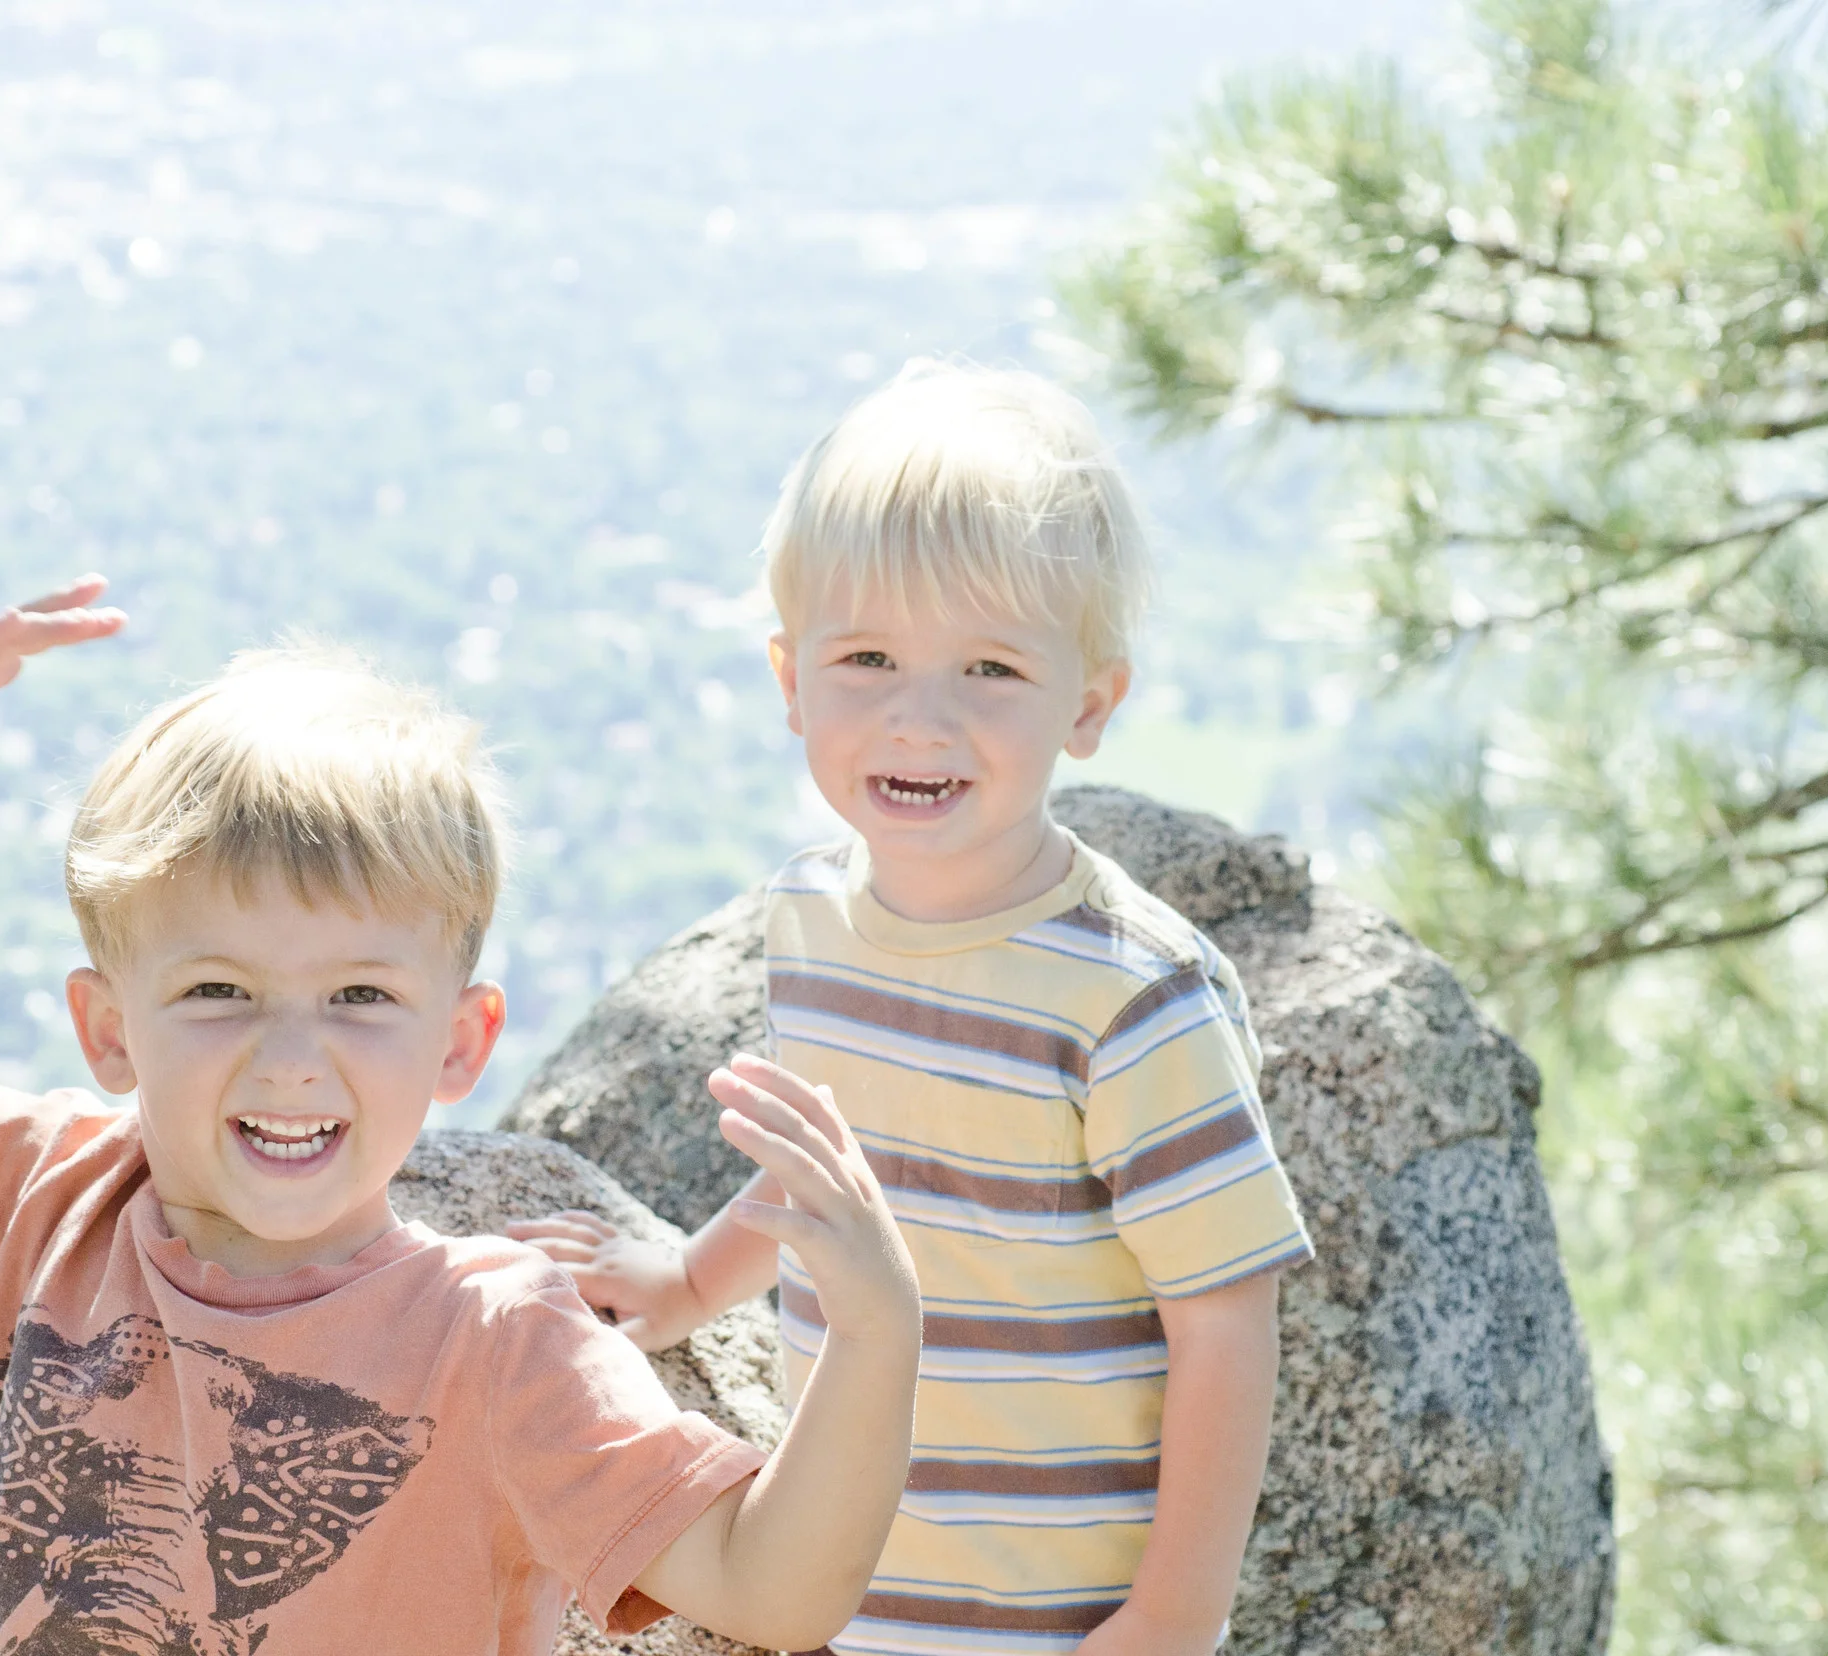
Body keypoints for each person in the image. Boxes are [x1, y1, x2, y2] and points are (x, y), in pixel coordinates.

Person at [0, 577, 922, 1656]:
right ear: (109, 1030)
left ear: (460, 1043)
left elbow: (772, 1589)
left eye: (359, 997)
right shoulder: (46, 1199)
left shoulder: (491, 1348)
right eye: (217, 992)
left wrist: (877, 1334)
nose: (289, 1060)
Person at [510, 363, 1315, 1656]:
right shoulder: (811, 923)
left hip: (1059, 1619)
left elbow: (1227, 1321)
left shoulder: (1131, 993)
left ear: (1088, 704)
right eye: (867, 657)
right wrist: (688, 1283)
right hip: (850, 1583)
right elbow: (838, 1175)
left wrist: (1173, 1615)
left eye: (989, 667)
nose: (918, 716)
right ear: (791, 679)